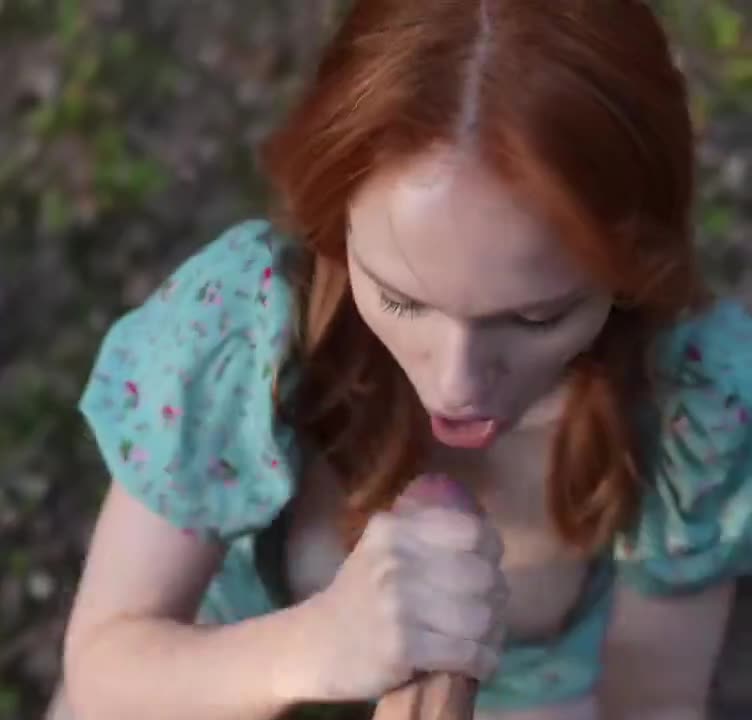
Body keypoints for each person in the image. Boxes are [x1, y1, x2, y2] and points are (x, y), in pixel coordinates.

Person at [55, 1, 752, 719]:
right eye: (400, 299)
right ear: (335, 221)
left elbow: (649, 704)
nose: (457, 383)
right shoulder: (241, 335)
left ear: (634, 262)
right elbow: (104, 676)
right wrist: (313, 646)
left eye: (537, 317)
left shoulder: (693, 402)